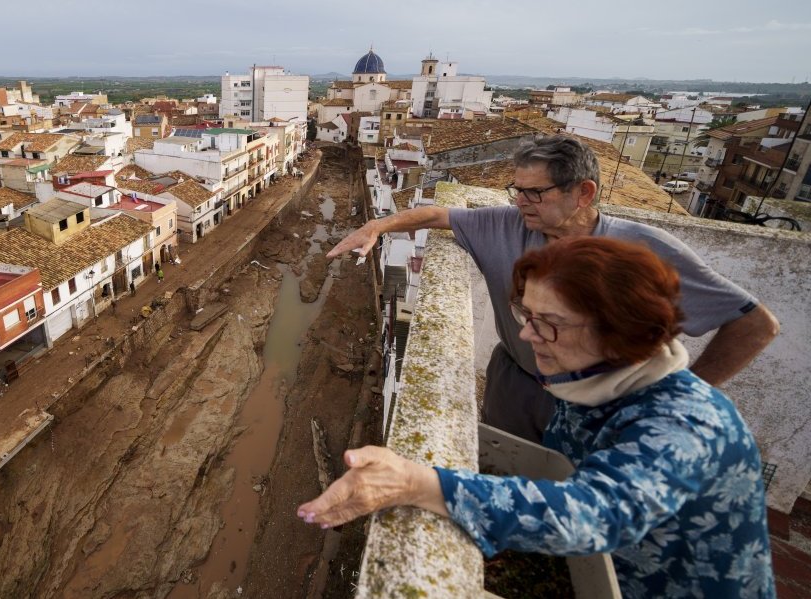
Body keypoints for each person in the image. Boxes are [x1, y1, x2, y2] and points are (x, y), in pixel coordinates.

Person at [299, 237, 775, 598]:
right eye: (525, 314)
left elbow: (592, 515)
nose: (527, 335)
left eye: (549, 322)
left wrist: (417, 484)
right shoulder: (591, 378)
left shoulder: (688, 425)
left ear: (620, 331)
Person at [328, 135, 779, 443]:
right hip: (516, 385)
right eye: (516, 190)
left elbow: (755, 324)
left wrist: (687, 394)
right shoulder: (506, 224)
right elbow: (436, 215)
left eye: (535, 193)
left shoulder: (642, 248)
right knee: (503, 467)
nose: (520, 202)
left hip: (605, 405)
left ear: (583, 193)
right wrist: (377, 226)